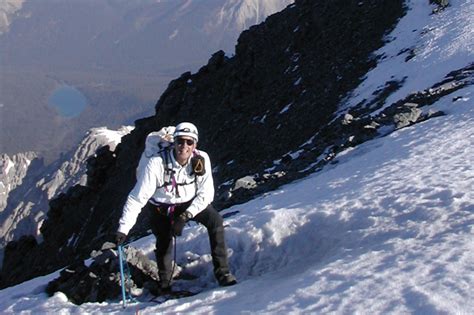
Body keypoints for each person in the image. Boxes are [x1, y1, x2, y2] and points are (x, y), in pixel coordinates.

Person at [115, 122, 236, 292]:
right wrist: (123, 229)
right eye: (180, 141)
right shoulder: (157, 163)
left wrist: (185, 216)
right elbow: (137, 198)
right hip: (160, 208)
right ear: (174, 142)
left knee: (215, 222)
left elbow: (206, 194)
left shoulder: (200, 160)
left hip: (189, 204)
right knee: (164, 241)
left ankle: (223, 274)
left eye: (189, 142)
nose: (184, 146)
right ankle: (165, 285)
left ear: (195, 144)